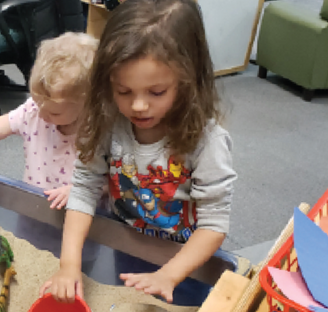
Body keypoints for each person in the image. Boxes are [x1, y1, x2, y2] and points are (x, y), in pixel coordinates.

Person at [40, 0, 237, 304]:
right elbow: (84, 187)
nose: (138, 106)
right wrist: (69, 265)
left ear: (186, 80)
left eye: (156, 92)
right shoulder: (109, 123)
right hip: (128, 244)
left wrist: (169, 275)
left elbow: (214, 225)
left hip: (186, 261)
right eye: (124, 91)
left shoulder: (207, 142)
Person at [0, 32, 100, 259]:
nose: (42, 113)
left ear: (88, 102)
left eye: (54, 111)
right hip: (33, 213)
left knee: (77, 267)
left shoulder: (99, 130)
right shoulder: (35, 110)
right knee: (29, 257)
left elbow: (115, 178)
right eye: (37, 101)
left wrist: (80, 191)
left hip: (81, 225)